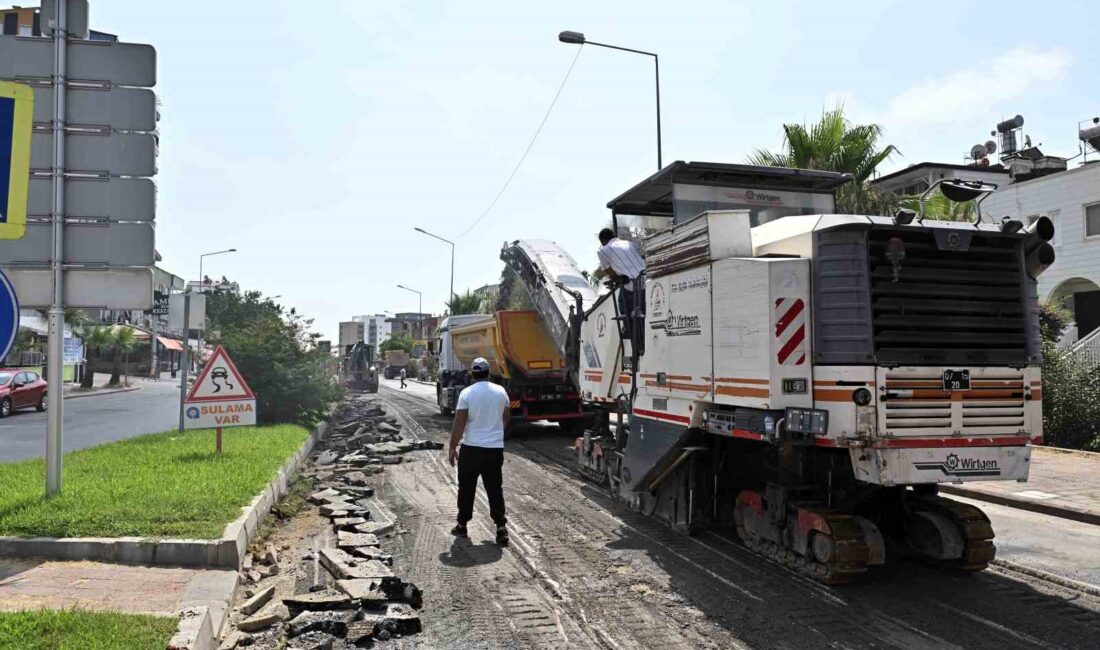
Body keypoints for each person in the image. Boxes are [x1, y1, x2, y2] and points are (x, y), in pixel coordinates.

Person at [448, 357, 510, 546]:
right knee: (494, 488)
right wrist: (494, 433)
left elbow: (460, 422)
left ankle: (462, 525)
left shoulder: (467, 393)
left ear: (472, 374)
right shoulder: (501, 392)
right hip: (494, 449)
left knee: (466, 488)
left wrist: (452, 447)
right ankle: (501, 527)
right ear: (489, 373)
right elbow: (506, 417)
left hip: (472, 448)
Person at [597, 228, 645, 334]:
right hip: (646, 279)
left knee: (622, 301)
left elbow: (611, 274)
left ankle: (628, 327)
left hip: (632, 285)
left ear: (603, 240)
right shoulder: (630, 244)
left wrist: (615, 279)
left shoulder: (603, 250)